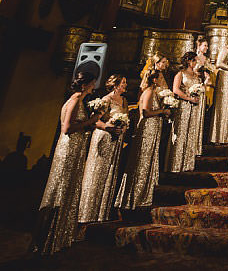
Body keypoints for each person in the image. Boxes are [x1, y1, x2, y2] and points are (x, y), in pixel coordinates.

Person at [33, 69, 104, 255]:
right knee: (62, 187)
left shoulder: (79, 101)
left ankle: (60, 235)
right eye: (92, 83)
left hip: (75, 148)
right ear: (84, 85)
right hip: (68, 149)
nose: (94, 86)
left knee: (69, 187)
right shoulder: (73, 101)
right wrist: (91, 121)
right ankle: (49, 236)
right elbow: (66, 128)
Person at [117, 60, 171, 210]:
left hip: (154, 129)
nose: (162, 81)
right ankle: (135, 197)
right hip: (147, 130)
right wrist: (162, 111)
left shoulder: (154, 93)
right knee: (142, 160)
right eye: (159, 78)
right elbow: (145, 112)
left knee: (149, 159)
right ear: (154, 79)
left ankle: (144, 195)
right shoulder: (148, 92)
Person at [79, 73, 129, 223]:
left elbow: (125, 119)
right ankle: (87, 212)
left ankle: (102, 212)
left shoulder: (124, 101)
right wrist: (109, 128)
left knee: (109, 173)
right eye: (123, 83)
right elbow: (95, 122)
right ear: (115, 85)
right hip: (104, 137)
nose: (125, 85)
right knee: (97, 172)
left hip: (116, 139)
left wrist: (123, 128)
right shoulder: (106, 100)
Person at [166, 52, 204, 172]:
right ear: (188, 61)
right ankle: (176, 164)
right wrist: (188, 98)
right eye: (194, 61)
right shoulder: (180, 73)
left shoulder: (196, 75)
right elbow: (175, 90)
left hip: (194, 107)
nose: (196, 63)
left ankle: (187, 164)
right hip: (183, 106)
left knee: (191, 132)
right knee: (181, 132)